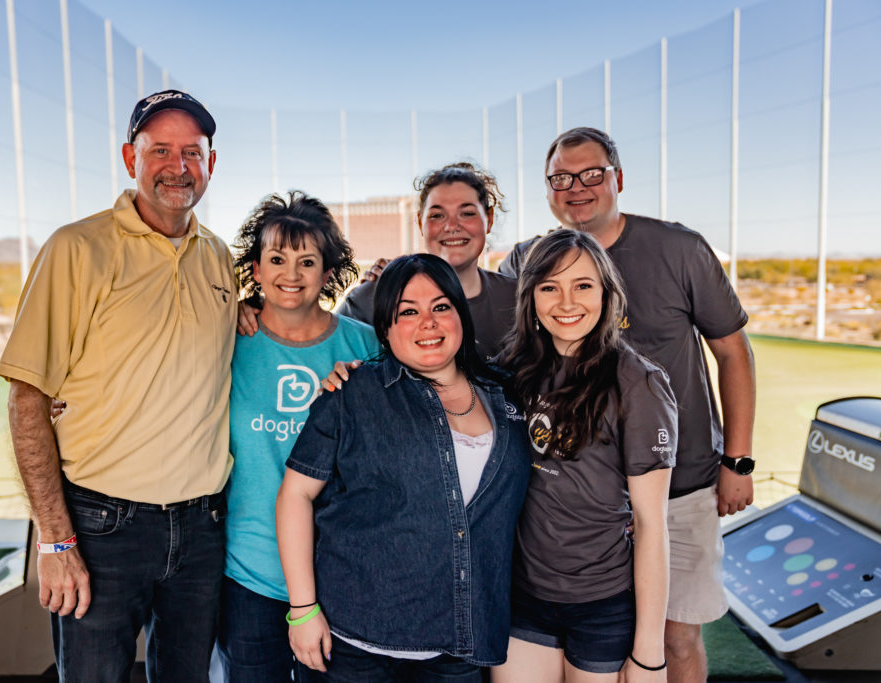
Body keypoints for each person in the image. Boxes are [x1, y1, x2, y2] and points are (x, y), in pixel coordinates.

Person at [500, 127, 755, 683]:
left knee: (671, 634)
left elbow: (733, 353)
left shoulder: (678, 248)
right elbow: (469, 307)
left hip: (678, 482)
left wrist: (737, 460)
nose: (577, 187)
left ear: (617, 178)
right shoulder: (527, 258)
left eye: (591, 174)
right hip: (579, 506)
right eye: (561, 178)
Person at [0, 90, 235, 683]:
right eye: (160, 150)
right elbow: (28, 397)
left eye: (191, 152)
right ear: (131, 157)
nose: (177, 167)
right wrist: (55, 542)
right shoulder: (76, 248)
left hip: (203, 527)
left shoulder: (220, 258)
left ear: (211, 161)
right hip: (102, 528)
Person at [276, 254, 530, 682]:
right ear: (386, 329)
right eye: (407, 312)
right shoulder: (352, 394)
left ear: (460, 315)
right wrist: (302, 610)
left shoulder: (507, 394)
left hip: (459, 647)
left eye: (441, 307)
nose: (427, 322)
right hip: (356, 646)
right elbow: (295, 495)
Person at [492, 229, 675, 683]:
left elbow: (652, 524)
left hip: (601, 604)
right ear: (530, 297)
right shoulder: (516, 369)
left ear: (607, 293)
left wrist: (649, 653)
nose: (566, 302)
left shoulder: (640, 384)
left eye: (583, 285)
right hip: (525, 597)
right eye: (549, 287)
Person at [219, 191, 380, 682]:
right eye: (277, 259)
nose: (291, 273)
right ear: (256, 270)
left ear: (327, 273)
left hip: (340, 575)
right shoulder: (225, 340)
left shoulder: (364, 344)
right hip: (250, 573)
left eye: (307, 261)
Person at [337, 162, 516, 362]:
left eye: (467, 213)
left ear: (489, 219)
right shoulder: (371, 298)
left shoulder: (517, 298)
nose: (452, 226)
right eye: (437, 215)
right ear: (421, 222)